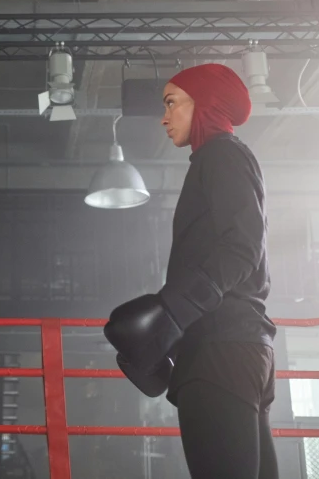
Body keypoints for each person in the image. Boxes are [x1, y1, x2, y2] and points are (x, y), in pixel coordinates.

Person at [104, 64, 279, 479]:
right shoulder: (218, 158)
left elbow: (242, 249)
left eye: (171, 103)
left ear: (203, 105)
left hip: (220, 348)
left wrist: (173, 313)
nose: (164, 117)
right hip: (240, 346)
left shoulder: (222, 154)